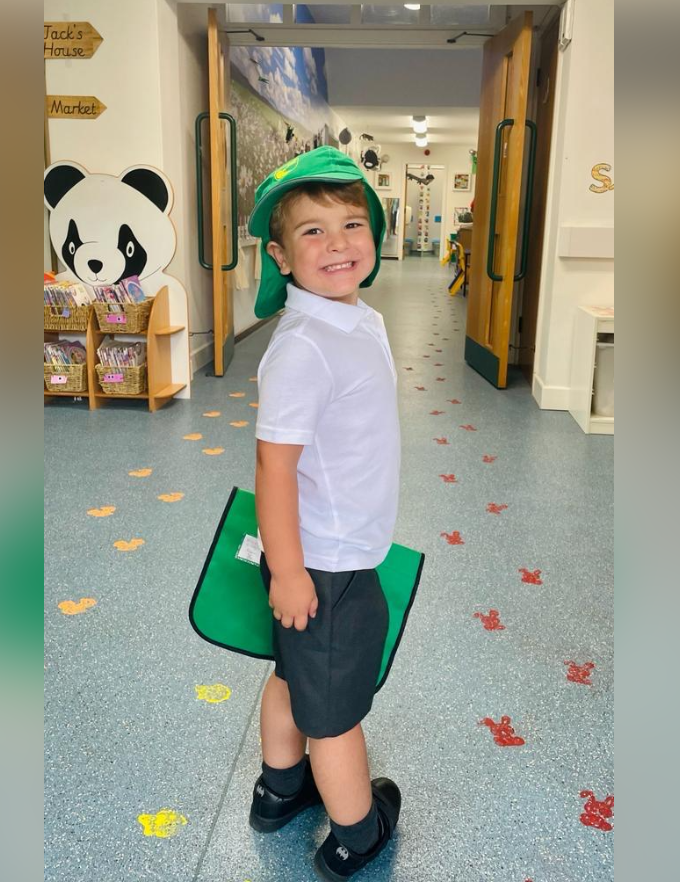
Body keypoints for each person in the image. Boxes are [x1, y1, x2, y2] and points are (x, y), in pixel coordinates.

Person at [247, 147, 402, 881]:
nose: (337, 243)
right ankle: (354, 833)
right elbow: (273, 467)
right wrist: (289, 571)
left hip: (329, 555)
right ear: (278, 255)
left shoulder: (352, 318)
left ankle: (281, 792)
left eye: (350, 223)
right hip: (324, 565)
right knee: (335, 712)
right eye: (312, 232)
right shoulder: (305, 346)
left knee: (290, 672)